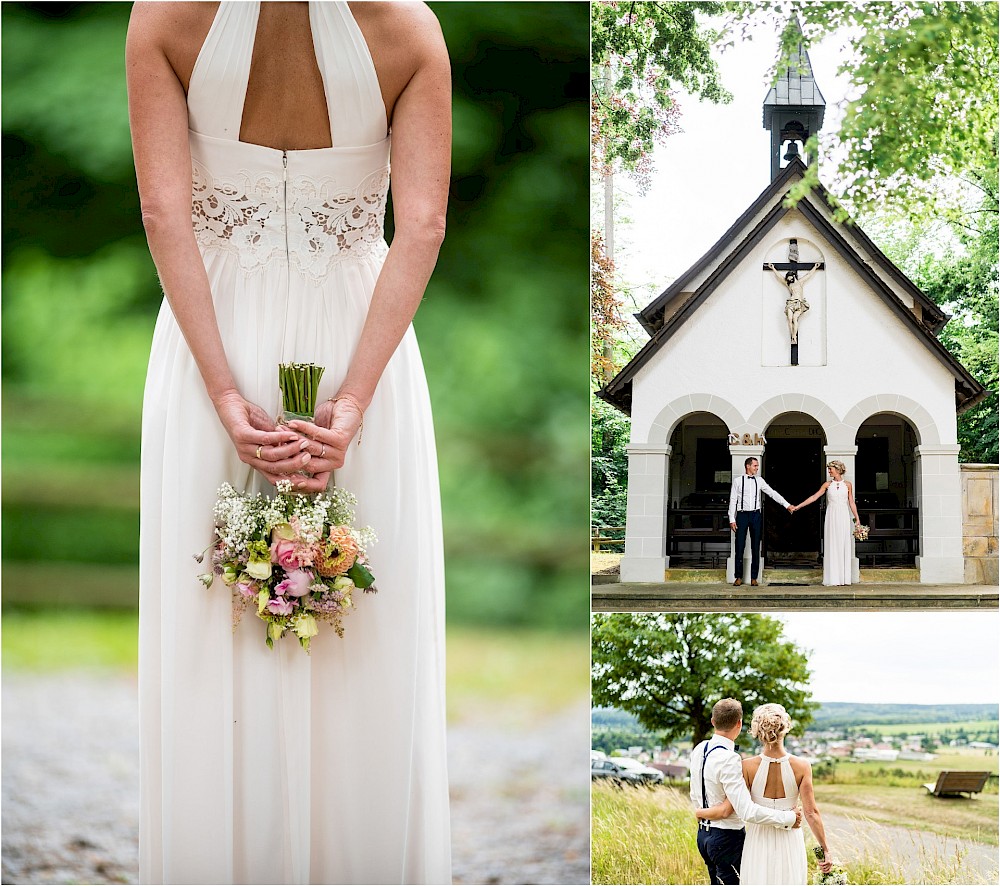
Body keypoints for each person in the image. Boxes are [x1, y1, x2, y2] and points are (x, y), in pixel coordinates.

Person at [127, 3, 452, 882]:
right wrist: (350, 401)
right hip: (358, 334)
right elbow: (420, 228)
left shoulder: (165, 15)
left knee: (209, 618)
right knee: (363, 624)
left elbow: (164, 213)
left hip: (212, 331)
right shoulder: (409, 29)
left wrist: (224, 389)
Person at [696, 703, 834, 885]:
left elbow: (733, 807)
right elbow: (811, 813)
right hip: (790, 840)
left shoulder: (745, 766)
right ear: (785, 729)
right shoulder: (802, 766)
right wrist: (825, 850)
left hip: (758, 840)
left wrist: (701, 812)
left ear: (756, 731)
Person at [792, 460, 862, 586]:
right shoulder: (827, 485)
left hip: (843, 515)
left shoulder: (848, 484)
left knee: (843, 543)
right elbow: (814, 497)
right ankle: (833, 577)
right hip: (832, 516)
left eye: (831, 469)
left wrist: (857, 518)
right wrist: (798, 506)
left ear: (837, 469)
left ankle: (843, 578)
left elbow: (851, 502)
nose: (829, 471)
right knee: (832, 543)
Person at [727, 457, 794, 587]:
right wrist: (732, 518)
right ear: (748, 466)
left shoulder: (759, 481)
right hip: (741, 515)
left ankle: (754, 577)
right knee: (739, 546)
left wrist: (787, 505)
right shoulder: (737, 481)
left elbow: (772, 493)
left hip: (756, 515)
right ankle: (738, 577)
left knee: (756, 546)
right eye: (755, 466)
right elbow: (733, 500)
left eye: (757, 466)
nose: (757, 468)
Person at [766, 262, 821, 344]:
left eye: (789, 277)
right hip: (791, 303)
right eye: (787, 278)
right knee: (789, 319)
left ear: (793, 276)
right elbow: (780, 277)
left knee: (795, 318)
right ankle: (793, 337)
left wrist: (815, 267)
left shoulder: (800, 282)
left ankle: (794, 336)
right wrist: (773, 268)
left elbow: (809, 275)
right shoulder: (789, 284)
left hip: (799, 303)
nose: (788, 279)